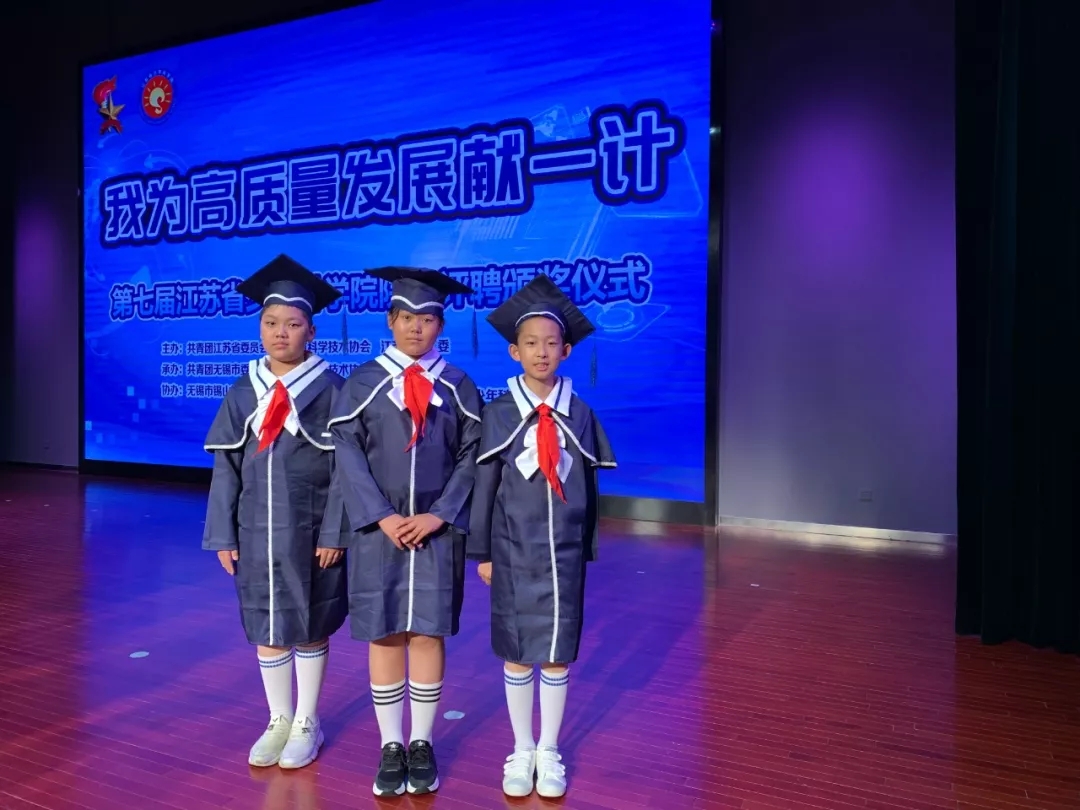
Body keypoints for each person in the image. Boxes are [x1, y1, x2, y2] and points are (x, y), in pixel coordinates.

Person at [320, 267, 482, 797]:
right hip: (379, 532)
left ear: (441, 325)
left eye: (428, 318)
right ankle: (391, 743)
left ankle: (422, 741)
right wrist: (381, 515)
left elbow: (472, 456)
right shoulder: (363, 383)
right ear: (390, 321)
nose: (416, 327)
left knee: (428, 632)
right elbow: (347, 453)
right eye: (407, 317)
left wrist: (441, 514)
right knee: (386, 631)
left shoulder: (457, 385)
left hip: (437, 531)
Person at [468, 274, 617, 799]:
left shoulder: (580, 413)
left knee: (556, 650)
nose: (541, 352)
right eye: (530, 343)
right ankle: (522, 746)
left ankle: (549, 749)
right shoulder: (498, 413)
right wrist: (482, 551)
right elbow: (484, 487)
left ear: (566, 350)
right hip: (511, 550)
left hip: (564, 553)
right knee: (516, 649)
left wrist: (587, 546)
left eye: (551, 343)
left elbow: (590, 488)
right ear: (514, 351)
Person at [202, 253, 348, 770]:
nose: (280, 333)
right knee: (265, 622)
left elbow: (347, 471)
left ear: (311, 330)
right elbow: (226, 467)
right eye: (270, 323)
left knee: (309, 620)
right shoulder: (245, 390)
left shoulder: (332, 390)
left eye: (292, 324)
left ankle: (308, 720)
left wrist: (335, 530)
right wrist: (223, 533)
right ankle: (278, 717)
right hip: (255, 529)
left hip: (311, 529)